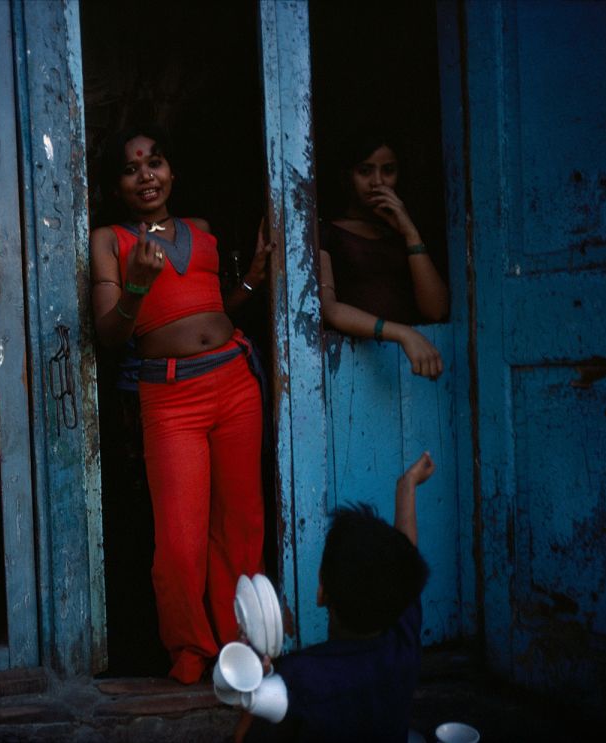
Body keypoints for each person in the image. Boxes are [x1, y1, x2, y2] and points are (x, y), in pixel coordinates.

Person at [89, 123, 271, 685]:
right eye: (131, 167)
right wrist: (137, 285)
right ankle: (192, 654)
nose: (146, 175)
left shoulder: (203, 230)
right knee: (179, 539)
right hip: (170, 398)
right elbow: (109, 335)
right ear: (116, 185)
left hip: (234, 382)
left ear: (172, 172)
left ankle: (243, 646)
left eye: (155, 162)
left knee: (240, 525)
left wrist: (256, 278)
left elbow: (215, 311)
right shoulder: (110, 240)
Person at [232, 452, 434, 743]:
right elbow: (405, 562)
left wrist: (257, 688)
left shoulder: (298, 678)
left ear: (321, 594)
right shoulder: (402, 646)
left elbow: (244, 739)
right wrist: (407, 486)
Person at [318, 132, 449, 379]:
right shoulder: (326, 232)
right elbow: (329, 309)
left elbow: (437, 310)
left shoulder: (406, 233)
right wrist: (402, 333)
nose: (377, 182)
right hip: (352, 370)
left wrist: (410, 232)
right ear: (347, 176)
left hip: (417, 369)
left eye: (388, 170)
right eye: (365, 171)